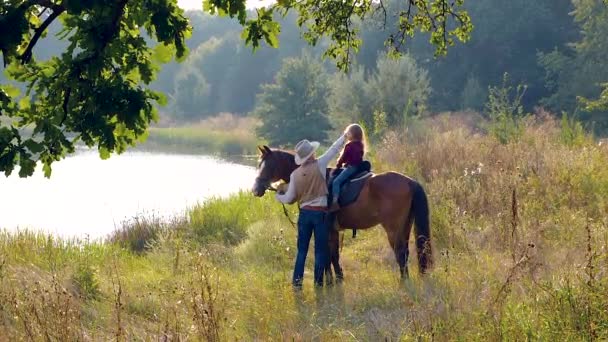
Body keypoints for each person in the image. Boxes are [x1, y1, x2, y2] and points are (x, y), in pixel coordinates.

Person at [275, 133, 346, 289]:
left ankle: (297, 284)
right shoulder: (320, 164)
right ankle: (318, 284)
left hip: (304, 215)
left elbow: (289, 199)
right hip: (319, 214)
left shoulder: (294, 175)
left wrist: (278, 196)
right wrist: (344, 136)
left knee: (301, 251)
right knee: (320, 251)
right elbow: (334, 150)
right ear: (312, 153)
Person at [330, 124, 366, 211]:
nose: (346, 134)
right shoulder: (360, 144)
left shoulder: (349, 145)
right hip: (359, 167)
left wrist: (337, 168)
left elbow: (343, 159)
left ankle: (335, 202)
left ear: (353, 134)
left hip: (351, 167)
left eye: (348, 133)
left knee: (336, 182)